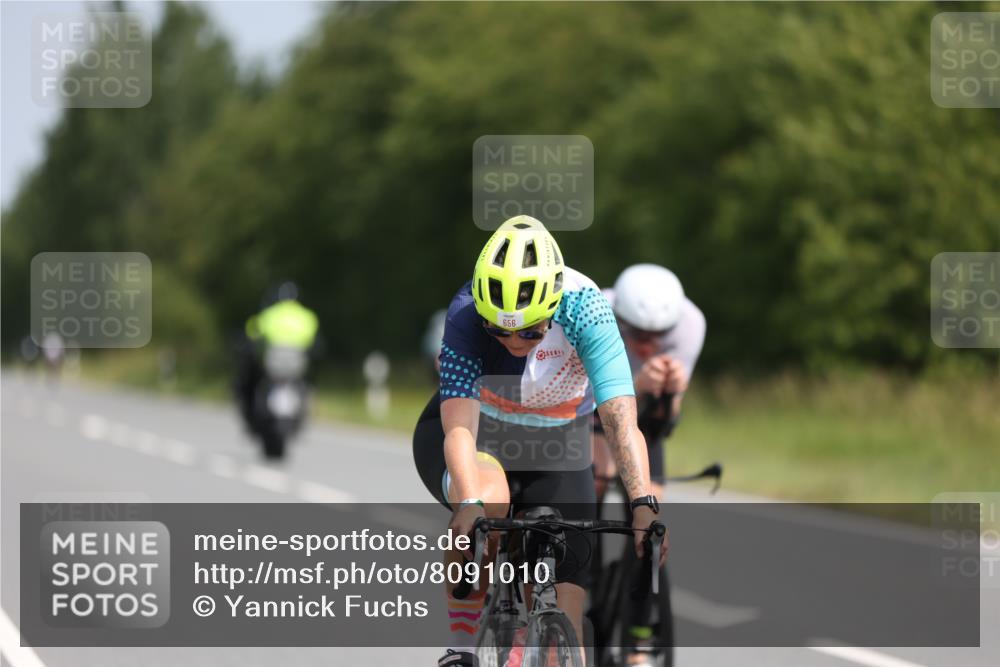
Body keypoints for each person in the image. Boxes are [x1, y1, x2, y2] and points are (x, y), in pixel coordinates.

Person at [412, 216, 667, 667]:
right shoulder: (466, 312)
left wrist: (643, 504)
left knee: (563, 636)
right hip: (481, 432)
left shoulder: (586, 310)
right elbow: (459, 429)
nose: (514, 341)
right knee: (488, 503)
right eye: (500, 330)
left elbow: (622, 422)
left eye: (530, 331)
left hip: (560, 440)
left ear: (553, 306)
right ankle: (461, 646)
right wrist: (467, 501)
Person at [592, 263, 705, 665]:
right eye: (637, 334)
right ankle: (583, 582)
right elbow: (582, 402)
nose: (647, 345)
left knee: (650, 529)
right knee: (593, 486)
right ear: (620, 319)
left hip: (646, 428)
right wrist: (636, 384)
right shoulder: (596, 310)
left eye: (658, 337)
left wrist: (672, 394)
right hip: (594, 417)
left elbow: (666, 423)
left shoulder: (690, 324)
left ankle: (639, 640)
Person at [233, 281, 320, 427]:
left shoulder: (269, 314)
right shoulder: (307, 316)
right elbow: (315, 341)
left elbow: (252, 332)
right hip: (297, 364)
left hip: (273, 362)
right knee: (305, 385)